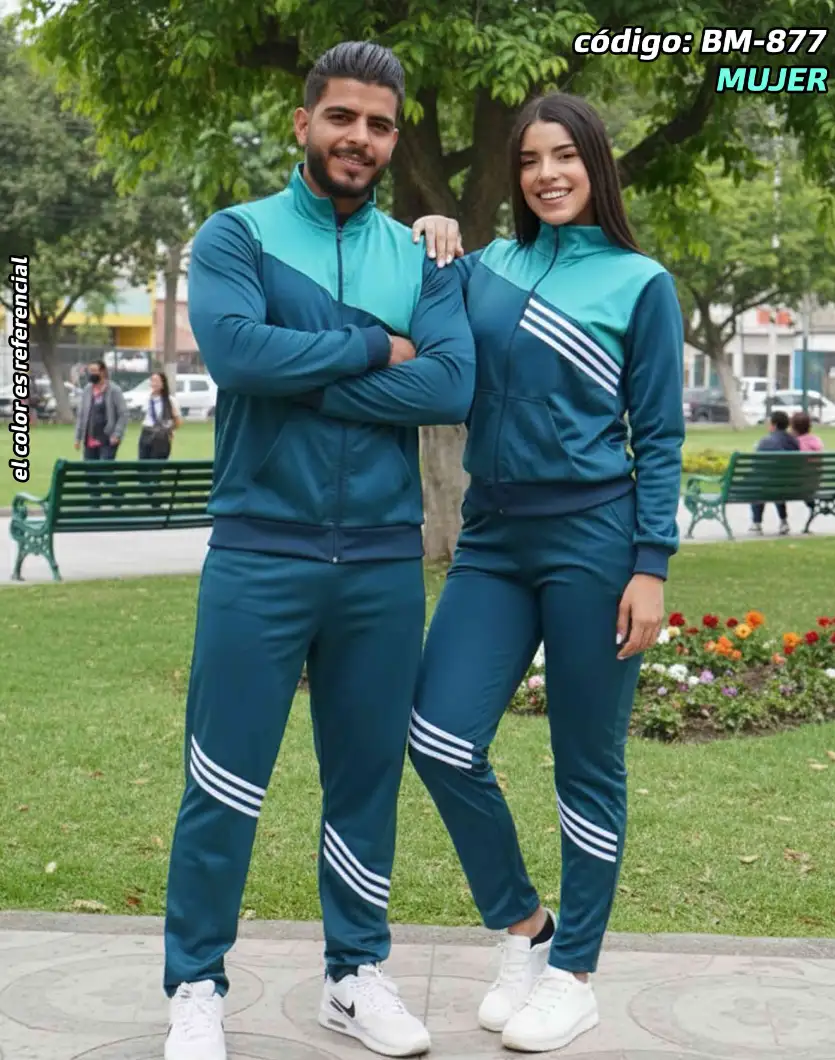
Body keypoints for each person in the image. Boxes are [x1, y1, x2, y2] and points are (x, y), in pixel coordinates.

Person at [162, 41, 475, 1060]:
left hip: (381, 559)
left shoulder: (422, 256)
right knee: (222, 778)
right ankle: (196, 986)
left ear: (393, 139)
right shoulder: (237, 235)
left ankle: (355, 975)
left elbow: (449, 385)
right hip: (261, 548)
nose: (360, 138)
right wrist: (373, 345)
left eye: (379, 125)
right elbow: (236, 353)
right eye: (342, 117)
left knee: (365, 780)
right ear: (304, 123)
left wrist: (303, 374)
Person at [406, 92, 685, 1054]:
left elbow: (660, 435)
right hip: (491, 539)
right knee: (438, 738)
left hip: (594, 542)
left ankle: (575, 977)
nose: (545, 174)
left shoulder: (641, 284)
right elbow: (418, 321)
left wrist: (650, 567)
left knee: (586, 767)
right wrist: (431, 234)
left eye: (564, 156)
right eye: (529, 160)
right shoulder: (485, 269)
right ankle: (527, 929)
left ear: (594, 164)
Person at [750, 409, 799, 535]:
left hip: (769, 484)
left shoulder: (766, 441)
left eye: (769, 423)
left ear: (774, 425)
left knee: (758, 484)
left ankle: (756, 523)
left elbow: (757, 465)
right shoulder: (794, 441)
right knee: (776, 484)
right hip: (791, 485)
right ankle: (783, 521)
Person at [73, 359, 128, 460]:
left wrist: (117, 434)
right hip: (90, 439)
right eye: (90, 371)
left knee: (103, 468)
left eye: (94, 371)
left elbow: (123, 414)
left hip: (108, 439)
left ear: (102, 372)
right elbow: (82, 415)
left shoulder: (114, 390)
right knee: (89, 468)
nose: (91, 374)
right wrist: (78, 438)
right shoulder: (87, 390)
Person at [138, 371, 182, 459]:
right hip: (146, 434)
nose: (154, 384)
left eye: (157, 381)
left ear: (163, 384)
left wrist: (169, 430)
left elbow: (178, 421)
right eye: (152, 381)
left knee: (156, 465)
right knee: (143, 464)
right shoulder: (147, 399)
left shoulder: (170, 400)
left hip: (161, 437)